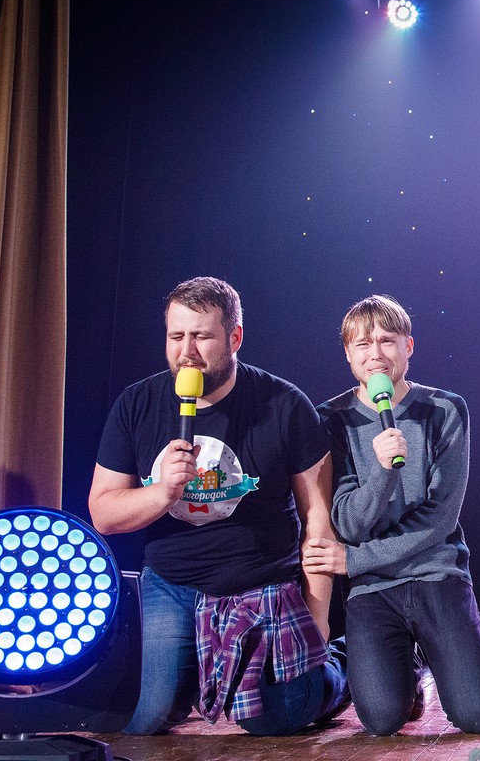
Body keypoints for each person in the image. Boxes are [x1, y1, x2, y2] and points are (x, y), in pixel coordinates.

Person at [88, 276, 348, 736]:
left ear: (235, 337)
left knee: (275, 716)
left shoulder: (285, 405)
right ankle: (205, 674)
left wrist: (318, 620)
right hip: (174, 584)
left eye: (201, 336)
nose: (186, 351)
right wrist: (162, 492)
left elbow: (318, 522)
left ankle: (342, 664)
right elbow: (104, 514)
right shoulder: (137, 404)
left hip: (261, 583)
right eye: (176, 336)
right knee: (146, 718)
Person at [302, 294, 480, 735]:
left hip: (435, 573)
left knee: (476, 716)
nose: (375, 354)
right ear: (347, 353)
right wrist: (383, 472)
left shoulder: (445, 408)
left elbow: (440, 519)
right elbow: (347, 522)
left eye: (386, 341)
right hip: (373, 587)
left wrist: (356, 559)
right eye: (362, 344)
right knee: (382, 720)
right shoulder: (331, 418)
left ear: (408, 346)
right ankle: (411, 665)